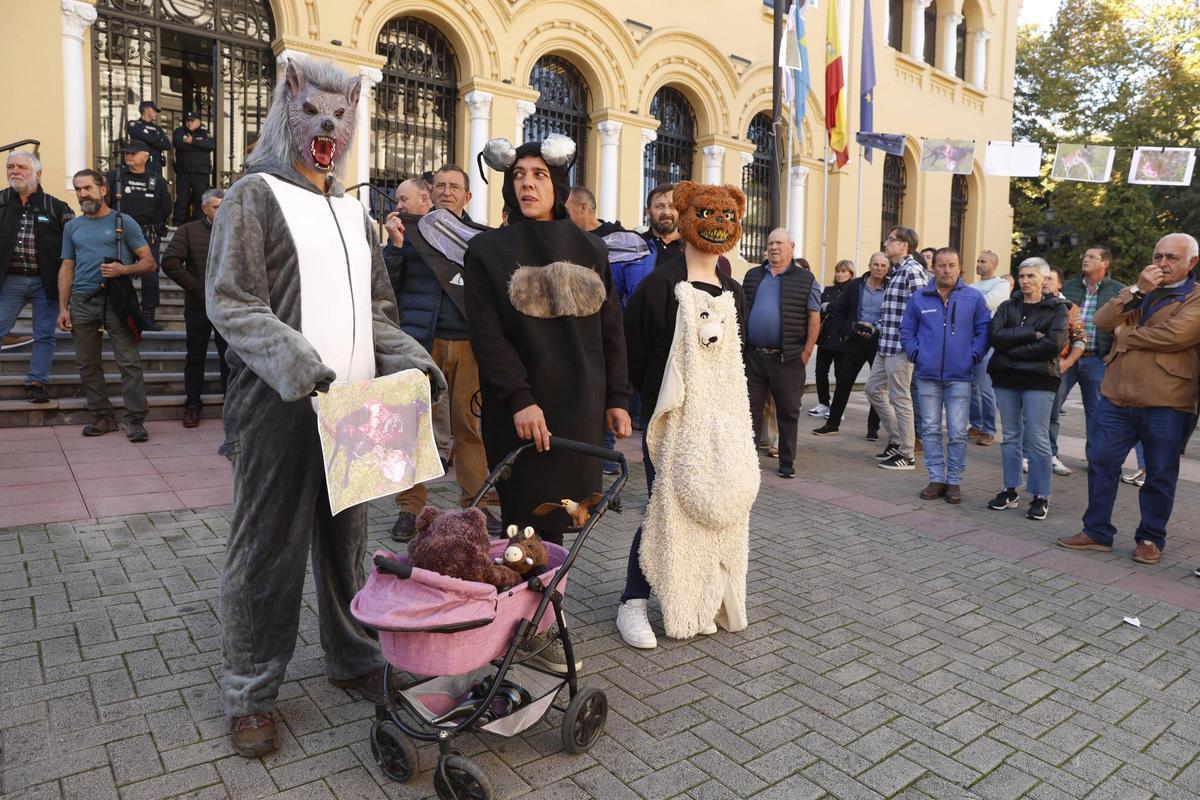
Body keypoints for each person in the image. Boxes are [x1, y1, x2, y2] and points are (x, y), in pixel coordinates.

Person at [205, 58, 444, 758]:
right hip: (278, 409)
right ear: (290, 108)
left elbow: (377, 315)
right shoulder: (254, 195)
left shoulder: (353, 212)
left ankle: (354, 657)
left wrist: (411, 360)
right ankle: (250, 689)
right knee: (266, 551)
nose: (327, 127)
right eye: (314, 112)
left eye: (340, 117)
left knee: (348, 545)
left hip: (361, 405)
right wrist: (300, 364)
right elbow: (233, 302)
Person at [467, 133, 631, 672]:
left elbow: (611, 331)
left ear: (556, 185)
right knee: (521, 521)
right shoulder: (487, 250)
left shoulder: (591, 249)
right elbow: (487, 336)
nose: (527, 183)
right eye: (518, 176)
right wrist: (519, 399)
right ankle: (525, 630)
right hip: (521, 411)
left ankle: (540, 615)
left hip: (578, 410)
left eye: (538, 175)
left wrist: (616, 399)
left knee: (559, 521)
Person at [618, 180, 750, 649]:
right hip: (672, 421)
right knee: (665, 511)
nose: (718, 224)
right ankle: (632, 601)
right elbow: (630, 350)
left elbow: (737, 357)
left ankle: (696, 595)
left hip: (723, 422)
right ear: (687, 215)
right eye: (707, 214)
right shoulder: (660, 285)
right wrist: (643, 403)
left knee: (717, 511)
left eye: (727, 217)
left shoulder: (733, 289)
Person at [1058, 234, 1200, 565]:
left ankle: (1151, 538)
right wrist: (1137, 291)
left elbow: (1176, 336)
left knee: (1160, 472)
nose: (1162, 263)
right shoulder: (1140, 290)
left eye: (1172, 258)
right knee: (1101, 460)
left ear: (1192, 262)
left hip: (1167, 399)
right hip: (1117, 395)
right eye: (1158, 255)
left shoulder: (1195, 297)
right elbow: (1104, 321)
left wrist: (1127, 335)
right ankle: (1096, 531)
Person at [383, 176, 499, 542]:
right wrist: (396, 247)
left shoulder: (482, 239)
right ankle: (409, 508)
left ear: (467, 195)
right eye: (439, 186)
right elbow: (386, 286)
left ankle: (477, 504)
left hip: (468, 345)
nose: (445, 191)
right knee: (415, 429)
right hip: (422, 343)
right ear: (430, 195)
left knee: (470, 429)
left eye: (453, 186)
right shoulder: (413, 233)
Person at [57, 169, 155, 441]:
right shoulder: (72, 227)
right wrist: (63, 307)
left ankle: (135, 420)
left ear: (103, 190)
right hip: (81, 301)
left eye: (87, 188)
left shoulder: (125, 221)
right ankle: (103, 416)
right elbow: (67, 267)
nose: (82, 194)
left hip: (117, 301)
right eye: (78, 189)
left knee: (129, 362)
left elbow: (149, 262)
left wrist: (123, 270)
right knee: (87, 364)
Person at [900, 247, 990, 504]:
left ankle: (954, 481)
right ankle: (937, 477)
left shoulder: (973, 298)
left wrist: (972, 356)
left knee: (958, 432)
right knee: (929, 429)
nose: (947, 270)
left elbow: (983, 331)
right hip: (927, 375)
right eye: (941, 265)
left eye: (952, 265)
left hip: (960, 376)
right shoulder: (919, 298)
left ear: (960, 267)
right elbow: (907, 331)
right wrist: (917, 354)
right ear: (933, 268)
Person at [986, 257, 1070, 520]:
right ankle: (1010, 490)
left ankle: (1040, 495)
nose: (1025, 281)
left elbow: (1052, 345)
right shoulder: (1007, 305)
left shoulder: (1058, 309)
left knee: (1037, 437)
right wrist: (1030, 334)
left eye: (1031, 276)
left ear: (1044, 279)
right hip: (1006, 378)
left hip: (1039, 379)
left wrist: (1013, 349)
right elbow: (995, 336)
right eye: (1021, 276)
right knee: (1010, 436)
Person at [743, 228, 822, 478]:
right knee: (750, 410)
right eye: (770, 243)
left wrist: (806, 353)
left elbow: (814, 318)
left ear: (792, 247)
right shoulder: (753, 275)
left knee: (788, 411)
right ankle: (747, 461)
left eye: (779, 243)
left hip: (787, 358)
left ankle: (786, 462)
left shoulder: (806, 279)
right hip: (754, 356)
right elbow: (742, 312)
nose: (774, 247)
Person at [0, 151, 74, 404]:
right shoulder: (0, 202)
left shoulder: (57, 207)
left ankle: (36, 381)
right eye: (10, 166)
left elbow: (73, 249)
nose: (14, 171)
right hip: (10, 280)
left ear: (38, 173)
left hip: (46, 283)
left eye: (21, 166)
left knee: (44, 334)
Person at [160, 188, 228, 427]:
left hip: (229, 307)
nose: (222, 210)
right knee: (195, 357)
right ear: (205, 208)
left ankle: (231, 406)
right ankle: (192, 404)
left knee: (229, 357)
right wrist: (197, 287)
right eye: (217, 206)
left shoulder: (238, 230)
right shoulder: (188, 230)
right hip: (198, 305)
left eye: (225, 205)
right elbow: (169, 261)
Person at [866, 226, 927, 470]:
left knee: (900, 398)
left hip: (901, 346)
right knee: (872, 390)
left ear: (904, 245)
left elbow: (923, 309)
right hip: (886, 343)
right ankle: (897, 439)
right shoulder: (897, 272)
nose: (886, 243)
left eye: (891, 240)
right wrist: (875, 326)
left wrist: (913, 343)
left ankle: (907, 454)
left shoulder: (913, 271)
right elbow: (895, 311)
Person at [1058, 246, 1125, 461]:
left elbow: (1124, 326)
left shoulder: (1118, 291)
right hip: (1066, 358)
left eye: (1091, 257)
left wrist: (1111, 354)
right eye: (1084, 256)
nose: (1085, 259)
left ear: (1105, 263)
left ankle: (1094, 458)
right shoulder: (1068, 288)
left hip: (1096, 359)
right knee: (1051, 406)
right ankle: (1048, 454)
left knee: (1096, 413)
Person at [813, 252, 888, 438]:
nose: (879, 268)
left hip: (878, 340)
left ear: (887, 269)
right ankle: (832, 424)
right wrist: (846, 331)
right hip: (855, 340)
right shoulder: (856, 286)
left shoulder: (891, 288)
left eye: (883, 266)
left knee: (876, 387)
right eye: (876, 264)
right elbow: (839, 309)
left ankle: (873, 429)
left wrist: (876, 329)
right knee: (843, 383)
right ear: (869, 265)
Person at [107, 141, 171, 330]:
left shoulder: (156, 179)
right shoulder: (114, 177)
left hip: (146, 232)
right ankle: (118, 314)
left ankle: (148, 317)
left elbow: (166, 207)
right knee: (117, 272)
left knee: (149, 275)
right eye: (126, 153)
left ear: (145, 156)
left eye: (133, 154)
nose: (128, 156)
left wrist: (153, 224)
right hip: (118, 230)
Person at [1042, 265, 1085, 476]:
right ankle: (1024, 454)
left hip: (1058, 368)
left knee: (1051, 415)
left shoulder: (1071, 309)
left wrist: (1067, 363)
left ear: (1060, 284)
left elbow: (1080, 339)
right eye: (1043, 278)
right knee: (1026, 415)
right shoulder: (1029, 303)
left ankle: (1051, 455)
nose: (1044, 282)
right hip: (1029, 368)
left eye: (1049, 278)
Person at [968, 250, 1009, 446]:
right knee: (971, 386)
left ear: (993, 264)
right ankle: (975, 425)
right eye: (978, 260)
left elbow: (988, 303)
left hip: (987, 340)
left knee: (985, 387)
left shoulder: (1001, 285)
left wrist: (969, 304)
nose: (978, 264)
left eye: (983, 261)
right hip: (969, 339)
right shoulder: (972, 286)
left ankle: (989, 429)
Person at [808, 259, 854, 419]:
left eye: (844, 271)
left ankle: (837, 409)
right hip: (825, 337)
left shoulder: (853, 290)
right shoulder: (828, 289)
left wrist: (829, 306)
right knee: (820, 372)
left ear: (851, 273)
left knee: (841, 375)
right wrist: (826, 307)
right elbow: (817, 306)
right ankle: (823, 403)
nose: (840, 274)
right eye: (838, 271)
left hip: (843, 339)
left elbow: (846, 309)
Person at [171, 111, 215, 224]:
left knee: (200, 199)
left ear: (198, 122)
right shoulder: (179, 132)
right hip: (183, 172)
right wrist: (199, 145)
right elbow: (179, 145)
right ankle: (177, 224)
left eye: (192, 121)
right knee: (182, 199)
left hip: (201, 173)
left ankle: (200, 223)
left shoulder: (205, 133)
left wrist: (192, 141)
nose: (189, 123)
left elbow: (210, 145)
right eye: (187, 121)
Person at [126, 100, 171, 177]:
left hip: (156, 164)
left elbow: (167, 145)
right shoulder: (135, 124)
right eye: (154, 110)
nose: (156, 114)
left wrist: (149, 139)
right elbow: (140, 139)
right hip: (141, 163)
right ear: (146, 109)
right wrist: (157, 139)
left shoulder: (157, 128)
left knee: (156, 186)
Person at [643, 183, 682, 266]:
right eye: (659, 206)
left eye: (673, 206)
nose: (666, 212)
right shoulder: (637, 244)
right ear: (648, 212)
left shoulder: (691, 247)